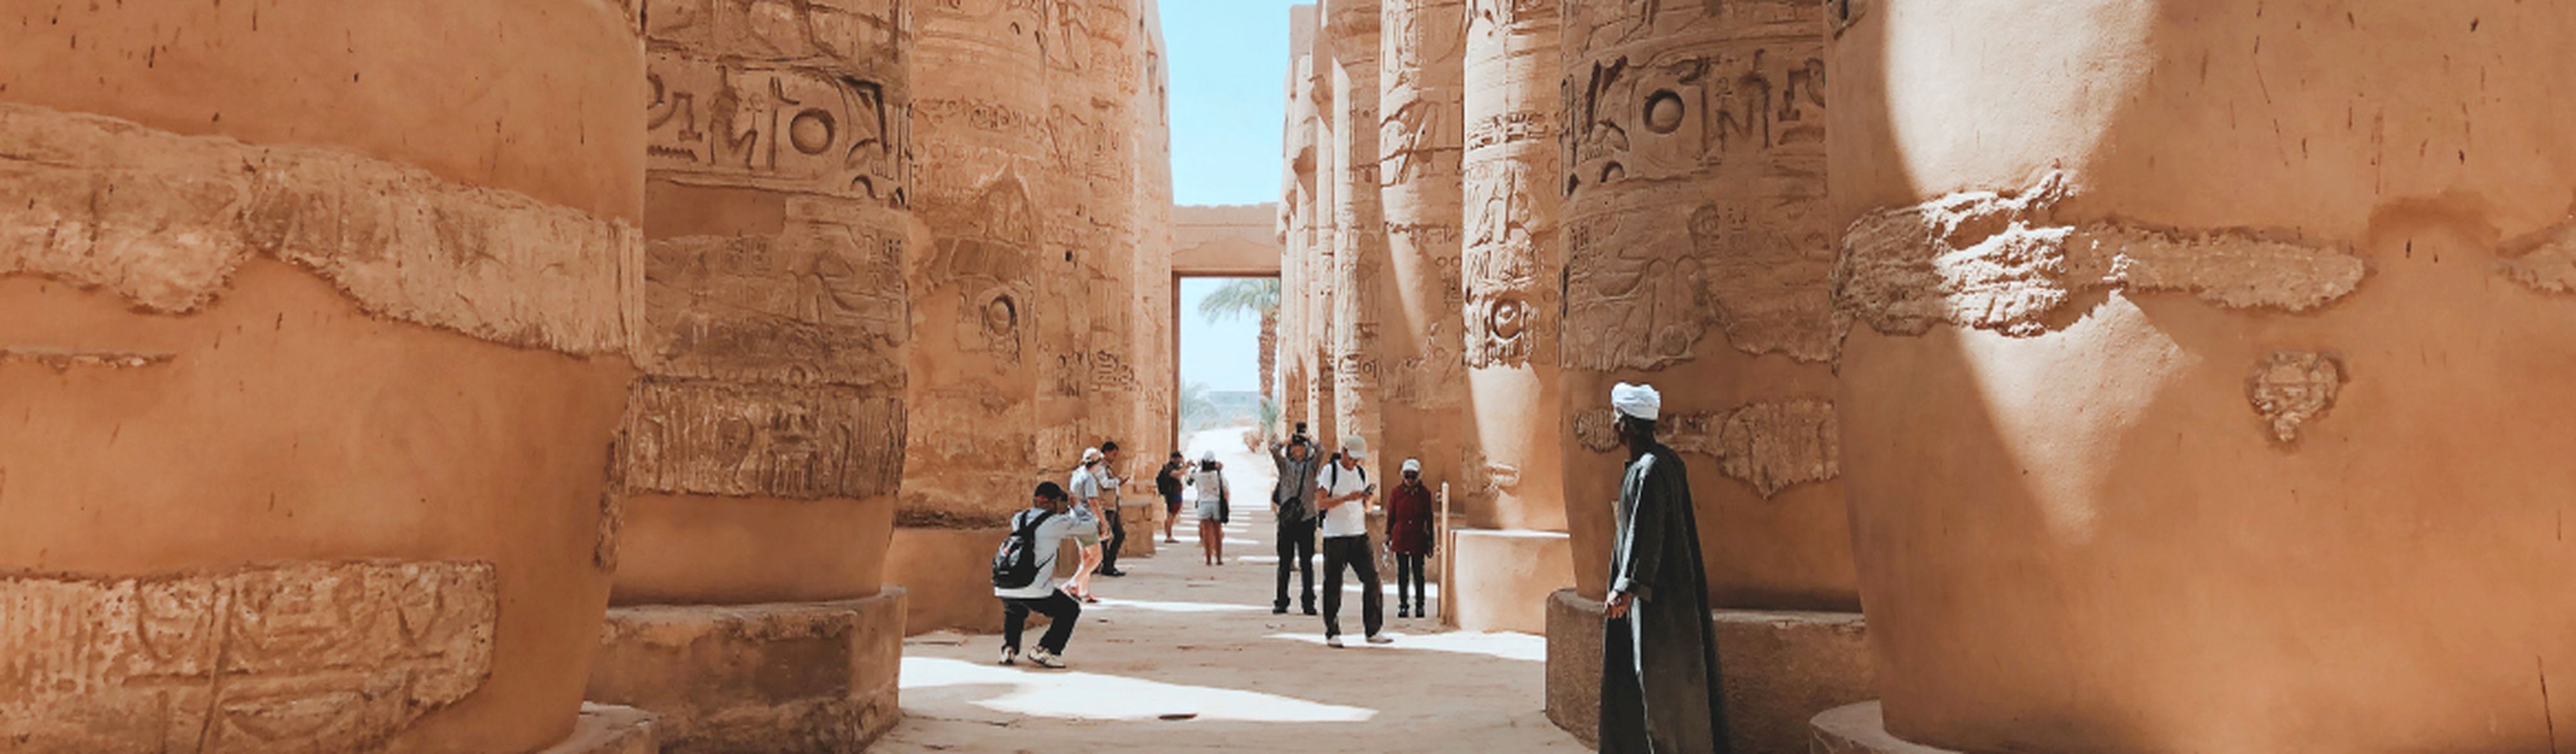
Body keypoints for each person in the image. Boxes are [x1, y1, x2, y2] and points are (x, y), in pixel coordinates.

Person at [1599, 383, 1727, 753]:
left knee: (1659, 685)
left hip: (1656, 599)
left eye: (1615, 418)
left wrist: (1626, 587)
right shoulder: (1663, 463)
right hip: (1665, 593)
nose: (1613, 424)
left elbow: (1647, 530)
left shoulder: (1651, 470)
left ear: (1625, 423)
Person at [996, 481, 1082, 669]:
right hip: (1032, 585)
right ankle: (1047, 649)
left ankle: (1009, 648)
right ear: (1053, 503)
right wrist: (1077, 506)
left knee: (1015, 607)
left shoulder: (1018, 518)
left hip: (1005, 583)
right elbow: (1090, 527)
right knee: (1069, 609)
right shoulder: (1056, 522)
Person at [1316, 435, 1387, 648]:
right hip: (1336, 535)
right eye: (1352, 458)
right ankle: (1332, 631)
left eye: (1358, 459)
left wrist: (1367, 499)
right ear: (1344, 452)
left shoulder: (1361, 473)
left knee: (1372, 580)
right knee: (1334, 584)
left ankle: (1373, 629)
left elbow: (1366, 508)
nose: (1354, 463)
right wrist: (1346, 498)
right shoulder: (1331, 472)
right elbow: (1320, 503)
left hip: (1358, 534)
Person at [1269, 434, 1324, 615]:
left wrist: (1308, 438)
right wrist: (1287, 440)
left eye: (1300, 447)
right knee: (1284, 562)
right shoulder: (1285, 466)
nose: (1297, 450)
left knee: (1307, 563)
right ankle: (1281, 601)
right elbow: (1273, 449)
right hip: (1287, 520)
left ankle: (1308, 603)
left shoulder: (1311, 467)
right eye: (1295, 447)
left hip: (1306, 519)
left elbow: (1321, 450)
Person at [1385, 458, 1435, 618]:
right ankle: (1403, 605)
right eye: (1407, 476)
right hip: (1401, 537)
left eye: (1413, 476)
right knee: (1403, 575)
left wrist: (1431, 541)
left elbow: (1429, 518)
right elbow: (1391, 515)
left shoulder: (1425, 494)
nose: (1410, 480)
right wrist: (1388, 535)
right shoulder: (1396, 493)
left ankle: (1420, 605)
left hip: (1418, 538)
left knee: (1418, 574)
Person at [1065, 447, 1108, 602]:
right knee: (1097, 557)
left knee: (1085, 557)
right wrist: (1103, 522)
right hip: (1087, 520)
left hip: (1074, 518)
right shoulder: (1089, 478)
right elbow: (1093, 502)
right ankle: (1071, 584)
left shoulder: (1076, 474)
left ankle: (1083, 591)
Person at [1096, 441, 1130, 578]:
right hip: (1106, 506)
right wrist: (1118, 481)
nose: (1115, 457)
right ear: (1107, 452)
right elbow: (1104, 484)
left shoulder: (1107, 468)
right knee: (1106, 536)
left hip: (1113, 505)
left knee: (1118, 534)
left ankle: (1109, 563)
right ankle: (1106, 565)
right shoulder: (1100, 468)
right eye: (1114, 454)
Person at [1189, 451, 1230, 566]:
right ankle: (1219, 558)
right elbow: (1225, 488)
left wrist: (1196, 467)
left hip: (1204, 504)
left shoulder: (1198, 475)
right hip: (1216, 503)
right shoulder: (1218, 475)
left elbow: (1189, 481)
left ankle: (1208, 559)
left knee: (1206, 533)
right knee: (1217, 532)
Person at [1158, 451, 1189, 544]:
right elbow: (1178, 473)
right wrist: (1185, 466)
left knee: (1171, 514)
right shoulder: (1169, 468)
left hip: (1175, 493)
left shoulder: (1174, 467)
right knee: (1171, 515)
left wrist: (1184, 465)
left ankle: (1169, 534)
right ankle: (1169, 536)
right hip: (1172, 494)